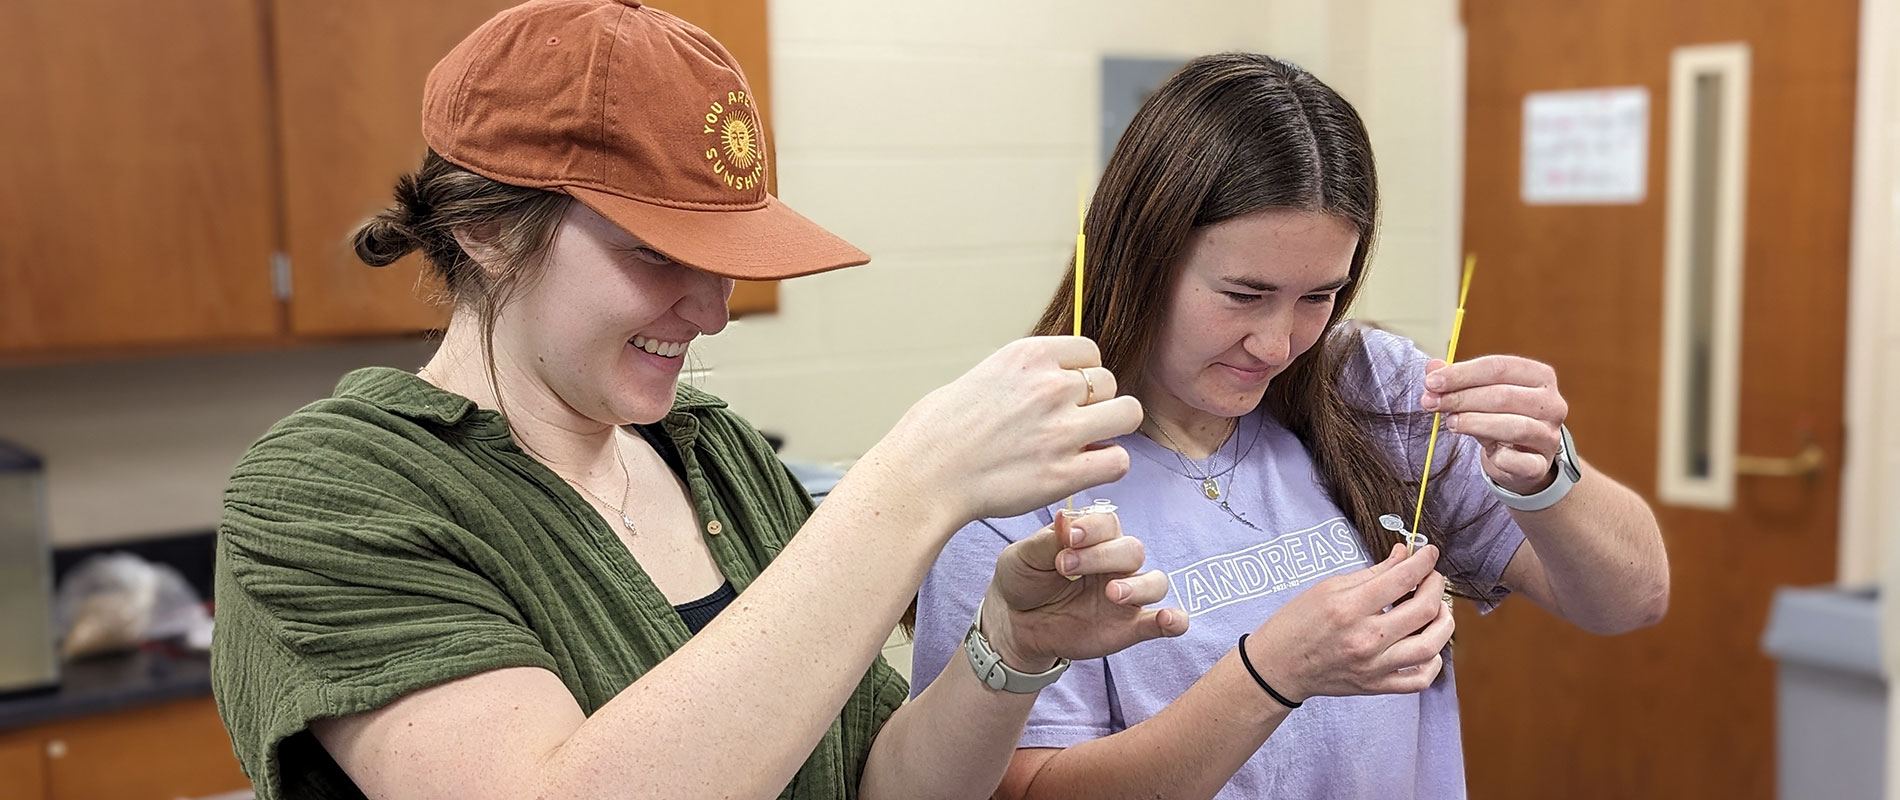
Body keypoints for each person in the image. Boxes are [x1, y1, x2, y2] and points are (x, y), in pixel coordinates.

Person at [209, 2, 1189, 798]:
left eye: (724, 260)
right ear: (488, 229)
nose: (714, 311)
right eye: (658, 253)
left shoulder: (718, 459)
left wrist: (1005, 651)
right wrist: (908, 485)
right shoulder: (331, 494)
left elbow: (875, 784)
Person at [911, 52, 1671, 799]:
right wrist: (1271, 673)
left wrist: (1546, 480)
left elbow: (1631, 600)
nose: (1277, 345)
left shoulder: (1364, 388)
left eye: (1319, 296)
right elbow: (1025, 790)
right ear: (1140, 257)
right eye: (1244, 294)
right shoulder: (1019, 475)